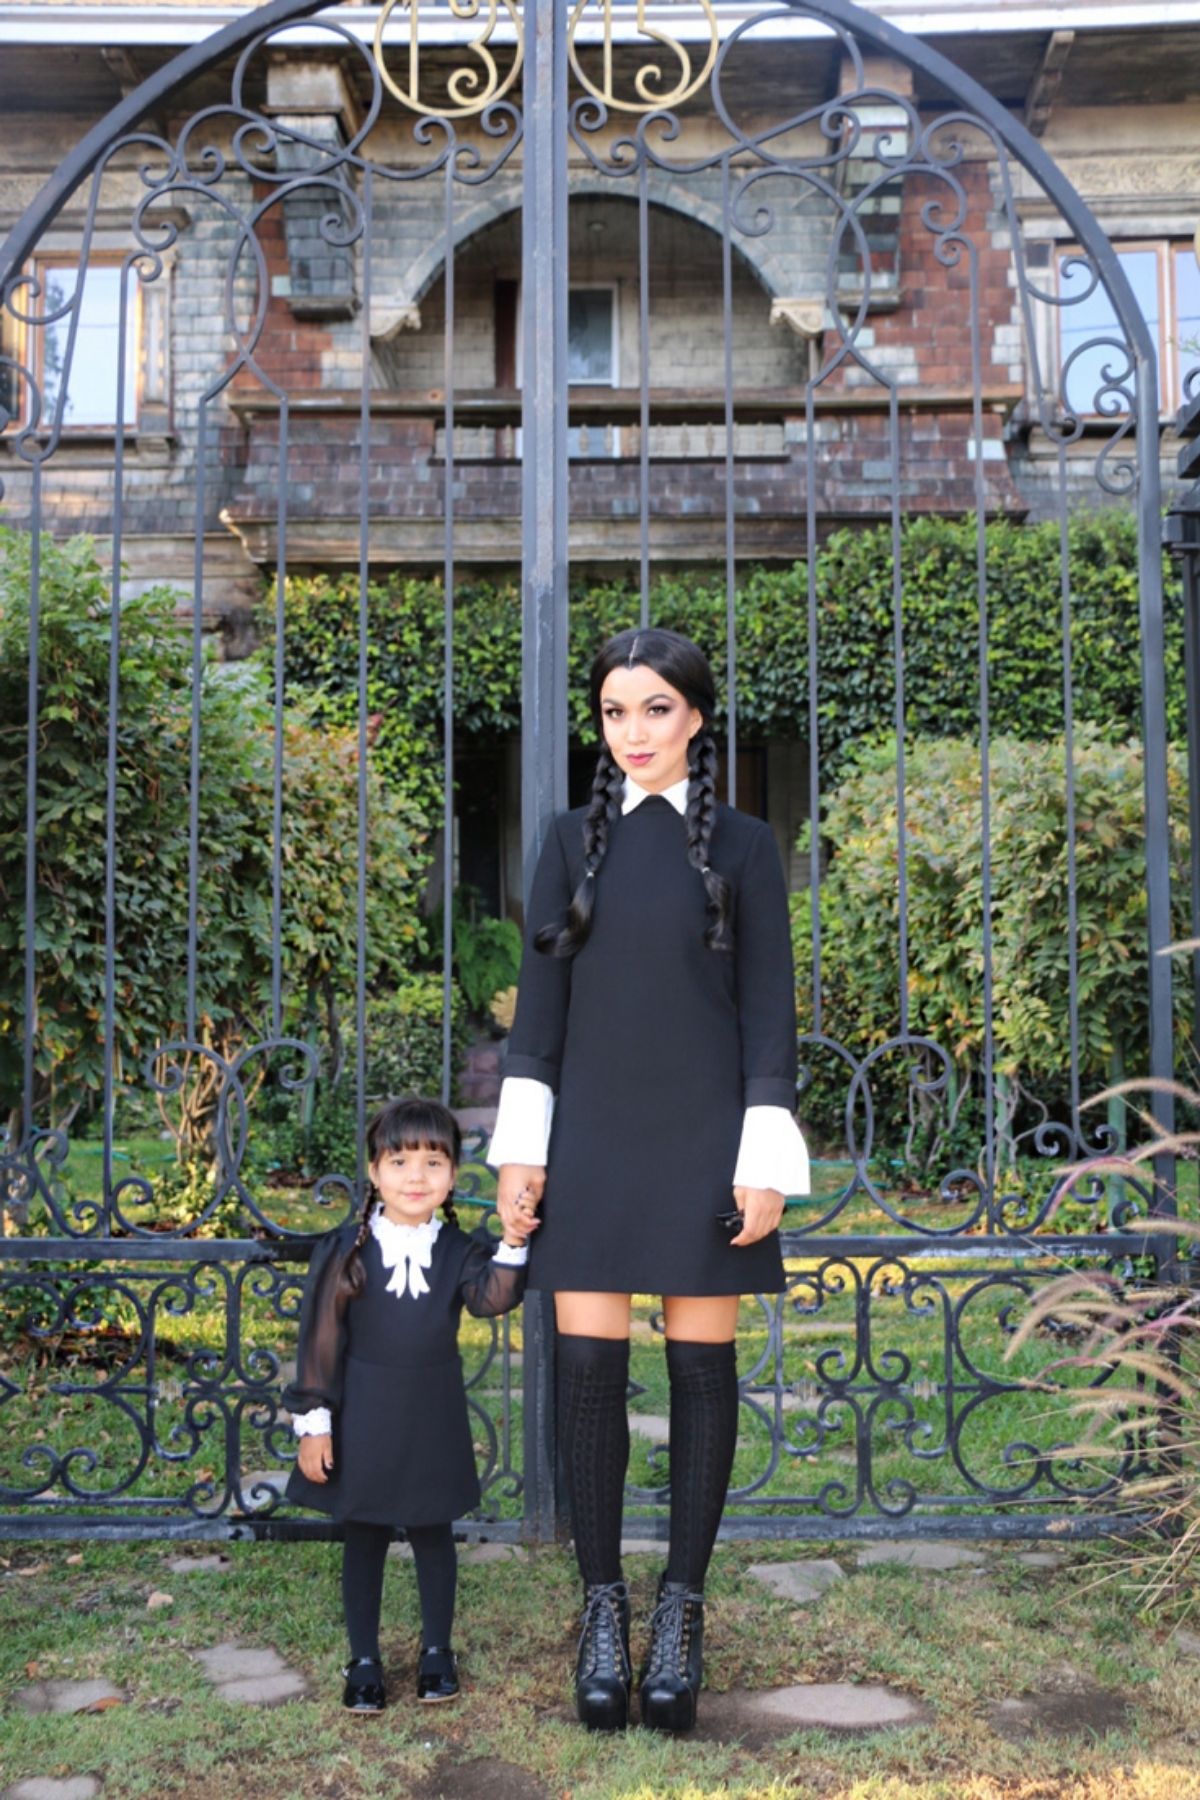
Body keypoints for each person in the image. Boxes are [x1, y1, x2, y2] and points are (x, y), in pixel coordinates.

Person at [488, 627, 809, 1733]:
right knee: (587, 1379)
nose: (635, 732)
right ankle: (600, 1610)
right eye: (617, 711)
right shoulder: (565, 841)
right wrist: (524, 1150)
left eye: (657, 710)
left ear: (697, 718)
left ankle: (680, 1610)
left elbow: (771, 1015)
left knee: (698, 1373)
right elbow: (540, 1017)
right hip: (592, 1146)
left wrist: (765, 1158)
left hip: (709, 1145)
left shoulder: (749, 849)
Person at [282, 1095, 532, 1714]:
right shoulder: (346, 1250)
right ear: (373, 1172)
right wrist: (314, 1421)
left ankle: (436, 1653)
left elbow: (491, 1298)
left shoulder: (458, 1249)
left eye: (432, 1162)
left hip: (432, 1410)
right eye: (398, 1162)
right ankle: (363, 1659)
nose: (415, 1177)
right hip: (363, 1410)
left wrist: (513, 1240)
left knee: (432, 1530)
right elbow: (320, 1339)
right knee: (363, 1531)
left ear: (452, 1175)